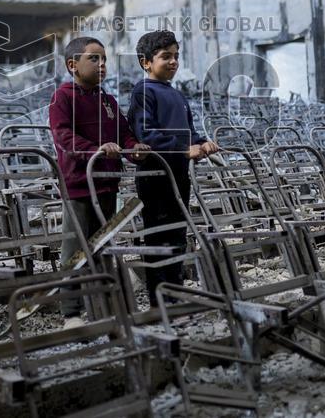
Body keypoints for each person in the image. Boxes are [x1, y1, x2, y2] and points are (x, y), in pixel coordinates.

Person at [48, 36, 150, 326]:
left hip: (108, 181)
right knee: (75, 247)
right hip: (80, 183)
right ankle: (71, 312)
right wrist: (95, 150)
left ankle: (106, 304)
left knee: (104, 243)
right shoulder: (63, 97)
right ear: (73, 65)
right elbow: (63, 136)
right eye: (94, 58)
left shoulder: (108, 100)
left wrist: (135, 149)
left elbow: (124, 133)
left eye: (104, 59)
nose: (102, 64)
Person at [126, 30, 218, 306]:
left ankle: (175, 292)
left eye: (176, 56)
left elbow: (187, 132)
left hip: (178, 174)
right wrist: (183, 149)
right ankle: (160, 299)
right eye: (166, 56)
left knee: (177, 233)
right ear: (146, 62)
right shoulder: (143, 91)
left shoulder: (176, 95)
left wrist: (203, 143)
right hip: (155, 175)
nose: (173, 62)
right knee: (157, 235)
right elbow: (146, 135)